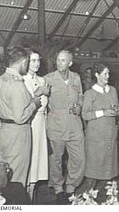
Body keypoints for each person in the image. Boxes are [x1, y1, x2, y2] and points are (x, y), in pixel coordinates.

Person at [0, 46, 48, 187]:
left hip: (4, 132)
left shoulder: (1, 79)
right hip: (18, 134)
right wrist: (34, 103)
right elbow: (20, 117)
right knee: (17, 181)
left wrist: (0, 124)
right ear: (23, 62)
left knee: (4, 179)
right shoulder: (16, 83)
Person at [44, 50, 85, 204]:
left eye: (63, 60)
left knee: (79, 159)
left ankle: (71, 187)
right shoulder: (48, 79)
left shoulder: (76, 78)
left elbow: (80, 96)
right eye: (58, 60)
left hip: (74, 124)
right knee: (55, 160)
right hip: (56, 125)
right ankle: (58, 189)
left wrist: (79, 106)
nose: (59, 63)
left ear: (70, 63)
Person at [81, 62, 119, 202]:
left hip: (110, 136)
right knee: (93, 171)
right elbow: (85, 115)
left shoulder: (113, 90)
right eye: (105, 73)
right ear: (97, 75)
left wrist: (118, 111)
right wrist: (103, 112)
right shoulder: (90, 93)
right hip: (95, 138)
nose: (108, 76)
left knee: (109, 171)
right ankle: (87, 200)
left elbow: (118, 111)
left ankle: (107, 200)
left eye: (108, 73)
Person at [23, 49, 49, 199]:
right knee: (30, 162)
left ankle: (32, 194)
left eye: (38, 60)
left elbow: (45, 105)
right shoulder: (21, 79)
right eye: (33, 60)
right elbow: (23, 104)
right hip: (29, 124)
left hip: (40, 124)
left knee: (38, 163)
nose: (37, 63)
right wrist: (37, 93)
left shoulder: (42, 80)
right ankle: (25, 197)